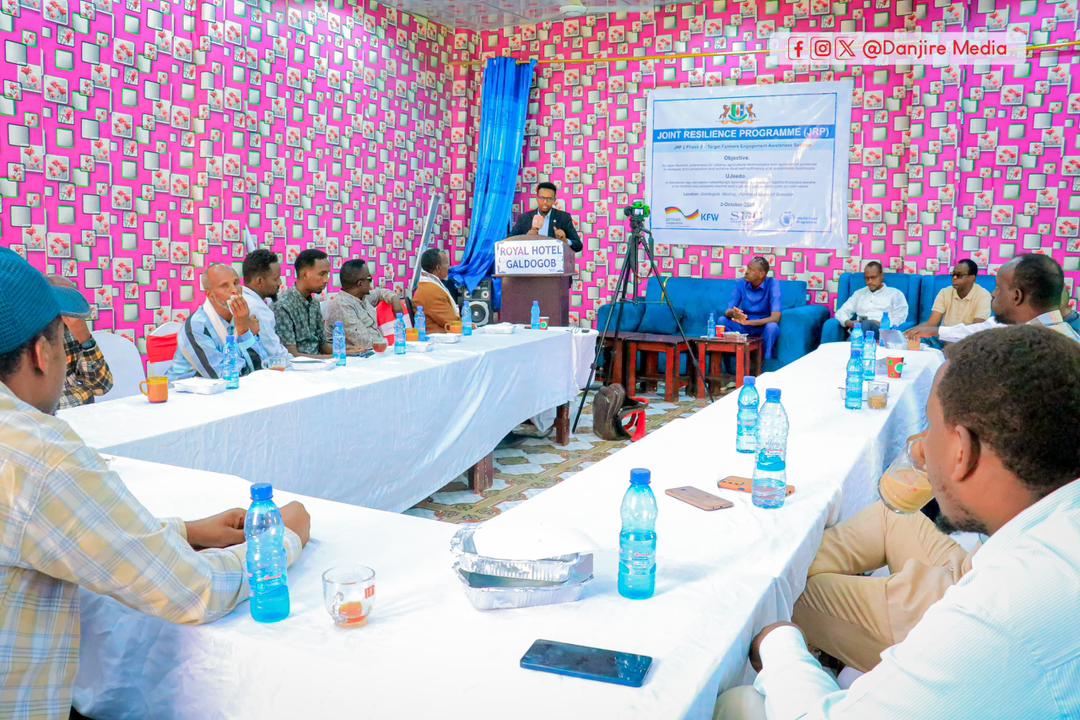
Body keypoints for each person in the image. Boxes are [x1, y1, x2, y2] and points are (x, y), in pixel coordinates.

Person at [0, 247, 312, 720]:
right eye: (65, 348)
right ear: (43, 355)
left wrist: (185, 531)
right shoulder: (36, 453)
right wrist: (282, 537)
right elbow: (190, 591)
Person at [714, 325, 1080, 719]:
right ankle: (801, 584)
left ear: (962, 450)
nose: (920, 450)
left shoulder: (995, 618)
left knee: (746, 692)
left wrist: (778, 643)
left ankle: (793, 605)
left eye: (930, 427)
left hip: (977, 616)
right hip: (974, 572)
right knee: (888, 519)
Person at [910, 254, 1079, 343]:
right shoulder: (1018, 323)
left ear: (1016, 296)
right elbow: (983, 328)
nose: (993, 293)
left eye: (998, 288)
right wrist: (936, 330)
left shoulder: (1059, 348)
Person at [167, 264, 268, 380]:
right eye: (225, 286)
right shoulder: (197, 326)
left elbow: (261, 368)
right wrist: (244, 331)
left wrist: (244, 331)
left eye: (236, 283)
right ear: (210, 295)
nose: (234, 290)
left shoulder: (241, 317)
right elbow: (223, 378)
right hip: (185, 395)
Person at [46, 276, 114, 409]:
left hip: (84, 417)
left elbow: (102, 386)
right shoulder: (27, 337)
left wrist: (84, 337)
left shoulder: (72, 332)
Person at [324, 259, 405, 352]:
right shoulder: (341, 306)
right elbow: (366, 343)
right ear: (360, 284)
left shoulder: (361, 297)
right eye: (369, 279)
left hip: (375, 353)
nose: (371, 281)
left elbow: (380, 292)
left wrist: (395, 300)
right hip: (357, 359)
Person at [904, 259, 991, 339]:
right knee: (913, 339)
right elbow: (932, 323)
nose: (954, 278)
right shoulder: (945, 292)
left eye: (959, 275)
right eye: (953, 274)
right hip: (944, 337)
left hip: (967, 341)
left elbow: (976, 330)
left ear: (972, 278)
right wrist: (913, 332)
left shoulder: (983, 295)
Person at [274, 248, 332, 356]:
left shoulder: (314, 303)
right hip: (297, 370)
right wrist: (330, 358)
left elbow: (323, 345)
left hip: (321, 364)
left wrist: (348, 353)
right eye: (322, 274)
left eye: (327, 274)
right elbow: (292, 355)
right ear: (304, 274)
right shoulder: (283, 306)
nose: (326, 280)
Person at [722, 256, 782, 359]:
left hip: (762, 327)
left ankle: (766, 362)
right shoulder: (741, 283)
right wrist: (734, 314)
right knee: (722, 320)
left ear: (762, 274)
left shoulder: (773, 284)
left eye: (751, 270)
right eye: (747, 268)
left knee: (772, 327)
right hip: (743, 327)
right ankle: (732, 358)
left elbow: (775, 318)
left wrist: (749, 322)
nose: (746, 272)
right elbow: (727, 311)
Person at [833, 261, 908, 335]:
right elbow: (841, 312)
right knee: (864, 324)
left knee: (868, 323)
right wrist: (848, 322)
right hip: (859, 329)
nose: (869, 282)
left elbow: (901, 316)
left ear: (881, 276)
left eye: (873, 277)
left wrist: (884, 324)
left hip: (883, 331)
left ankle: (851, 344)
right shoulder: (859, 294)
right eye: (867, 278)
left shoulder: (895, 294)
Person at [510, 181, 583, 252]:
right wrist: (526, 237)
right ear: (537, 198)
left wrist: (565, 240)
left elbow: (578, 246)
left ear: (554, 200)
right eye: (542, 198)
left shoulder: (563, 218)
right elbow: (509, 241)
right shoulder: (524, 218)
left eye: (549, 199)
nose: (545, 202)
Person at [241, 248, 288, 358]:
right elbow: (275, 354)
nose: (280, 283)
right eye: (276, 279)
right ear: (259, 281)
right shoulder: (257, 308)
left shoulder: (245, 298)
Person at [411, 248, 460, 333]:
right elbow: (452, 323)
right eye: (447, 263)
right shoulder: (430, 291)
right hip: (438, 339)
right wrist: (471, 325)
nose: (449, 266)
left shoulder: (429, 286)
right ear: (438, 268)